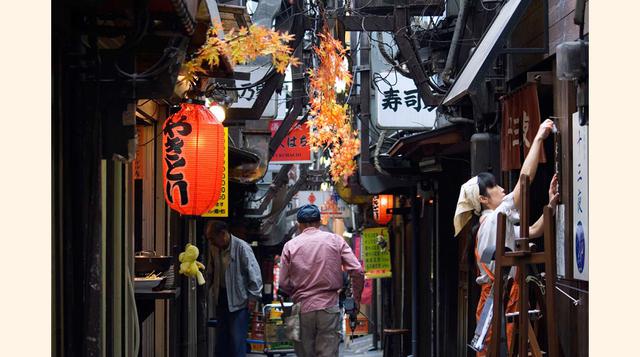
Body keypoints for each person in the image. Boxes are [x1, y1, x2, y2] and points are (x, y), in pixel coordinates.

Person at [454, 119, 559, 356]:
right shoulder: (493, 218)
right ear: (483, 200)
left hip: (500, 295)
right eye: (494, 187)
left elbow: (532, 231)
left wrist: (550, 206)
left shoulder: (492, 221)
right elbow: (524, 182)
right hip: (500, 297)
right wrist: (539, 137)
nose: (502, 189)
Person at [278, 204, 364, 357]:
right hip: (329, 307)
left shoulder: (290, 246)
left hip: (302, 308)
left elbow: (284, 283)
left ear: (299, 224)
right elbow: (357, 270)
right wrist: (356, 299)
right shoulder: (335, 240)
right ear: (319, 222)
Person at [205, 220, 263, 357]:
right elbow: (210, 271)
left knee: (237, 342)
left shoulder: (242, 248)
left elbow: (254, 274)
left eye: (213, 238)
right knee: (222, 342)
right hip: (221, 299)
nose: (211, 242)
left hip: (239, 302)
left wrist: (253, 298)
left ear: (223, 234)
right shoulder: (214, 248)